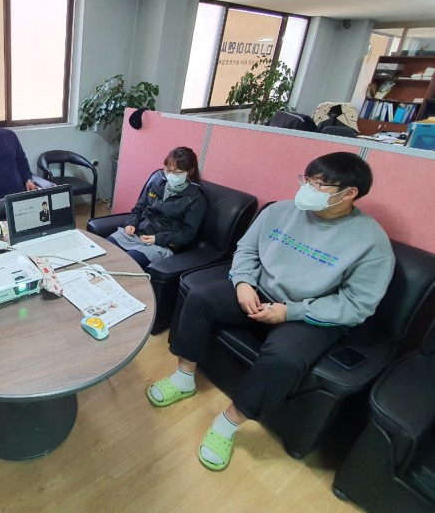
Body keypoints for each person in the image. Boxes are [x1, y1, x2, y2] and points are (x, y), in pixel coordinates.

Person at [147, 152, 394, 471]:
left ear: (349, 193)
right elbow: (246, 250)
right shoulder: (279, 211)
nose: (307, 189)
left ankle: (228, 424)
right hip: (258, 292)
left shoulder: (371, 243)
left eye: (319, 185)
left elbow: (356, 304)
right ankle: (183, 378)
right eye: (307, 180)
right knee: (200, 297)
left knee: (285, 358)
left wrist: (290, 312)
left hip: (309, 314)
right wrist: (243, 283)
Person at [107, 146, 207, 268]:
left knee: (125, 263)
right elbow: (138, 209)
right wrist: (131, 223)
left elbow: (187, 233)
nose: (171, 175)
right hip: (136, 234)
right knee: (104, 250)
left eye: (177, 172)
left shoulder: (196, 198)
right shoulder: (157, 183)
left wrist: (158, 238)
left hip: (160, 245)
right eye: (168, 170)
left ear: (190, 171)